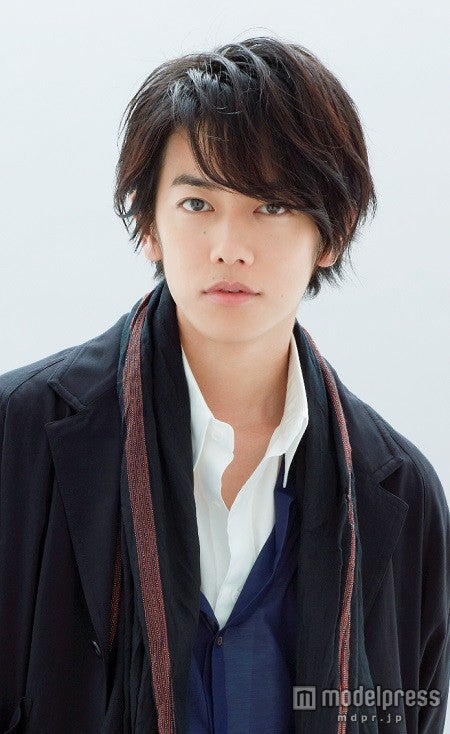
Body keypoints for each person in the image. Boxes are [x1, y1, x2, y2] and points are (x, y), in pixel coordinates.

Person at [0, 37, 448, 734]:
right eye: (197, 203)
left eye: (272, 207)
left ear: (333, 233)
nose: (229, 247)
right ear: (148, 224)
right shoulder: (18, 437)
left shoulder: (401, 493)